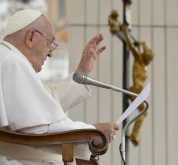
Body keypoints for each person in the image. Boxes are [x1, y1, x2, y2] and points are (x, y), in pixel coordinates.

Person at [0, 9, 119, 165]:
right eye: (49, 43)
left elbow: (45, 105)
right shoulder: (12, 63)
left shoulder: (9, 59)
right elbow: (40, 128)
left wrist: (81, 71)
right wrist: (92, 132)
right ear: (30, 37)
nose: (50, 53)